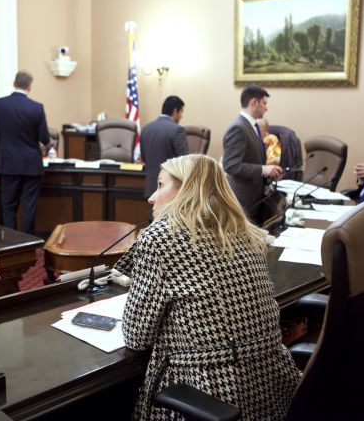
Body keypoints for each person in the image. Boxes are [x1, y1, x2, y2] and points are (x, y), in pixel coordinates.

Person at [114, 154, 300, 420]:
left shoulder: (161, 239)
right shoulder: (247, 233)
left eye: (160, 185)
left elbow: (135, 336)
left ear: (186, 189)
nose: (151, 198)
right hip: (271, 390)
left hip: (204, 389)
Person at [0, 71, 51, 234]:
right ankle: (28, 243)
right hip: (31, 165)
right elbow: (44, 138)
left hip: (8, 164)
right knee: (29, 206)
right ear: (29, 87)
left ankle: (12, 243)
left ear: (14, 83)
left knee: (8, 206)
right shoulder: (37, 107)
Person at [223, 84, 283, 224]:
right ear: (254, 103)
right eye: (264, 103)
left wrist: (268, 168)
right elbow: (231, 165)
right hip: (243, 198)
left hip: (254, 195)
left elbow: (249, 158)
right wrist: (263, 169)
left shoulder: (251, 125)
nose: (266, 108)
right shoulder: (238, 127)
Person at [140, 95, 189, 198]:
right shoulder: (177, 130)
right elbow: (185, 161)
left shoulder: (146, 129)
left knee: (153, 214)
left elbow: (144, 158)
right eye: (181, 112)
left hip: (151, 188)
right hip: (171, 189)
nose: (181, 116)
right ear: (175, 111)